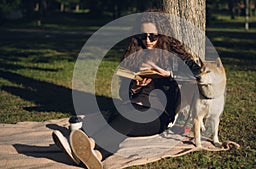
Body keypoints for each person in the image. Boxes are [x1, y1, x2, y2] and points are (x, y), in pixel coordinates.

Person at [52, 10, 203, 169]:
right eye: (143, 36)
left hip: (158, 116)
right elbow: (123, 93)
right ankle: (94, 155)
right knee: (117, 116)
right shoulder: (136, 54)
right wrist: (135, 86)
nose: (147, 40)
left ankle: (88, 144)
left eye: (153, 36)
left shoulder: (173, 56)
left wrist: (168, 74)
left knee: (127, 117)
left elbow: (198, 72)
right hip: (131, 105)